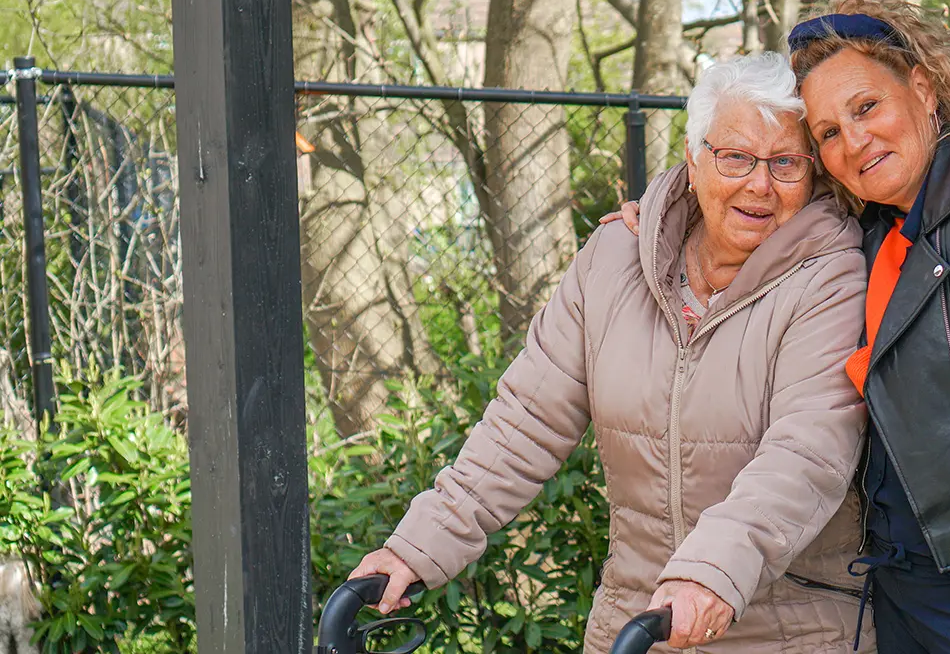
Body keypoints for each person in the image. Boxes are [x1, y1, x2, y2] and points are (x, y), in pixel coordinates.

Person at [602, 0, 950, 653]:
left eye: (865, 109)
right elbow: (757, 199)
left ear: (923, 87)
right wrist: (662, 218)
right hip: (898, 583)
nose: (852, 142)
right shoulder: (872, 231)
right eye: (827, 133)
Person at [351, 52, 875, 653]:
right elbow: (525, 422)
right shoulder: (615, 259)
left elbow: (807, 453)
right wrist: (415, 548)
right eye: (735, 157)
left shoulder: (829, 277)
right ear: (693, 157)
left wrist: (708, 573)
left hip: (792, 629)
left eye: (785, 163)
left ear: (811, 174)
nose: (759, 183)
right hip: (636, 623)